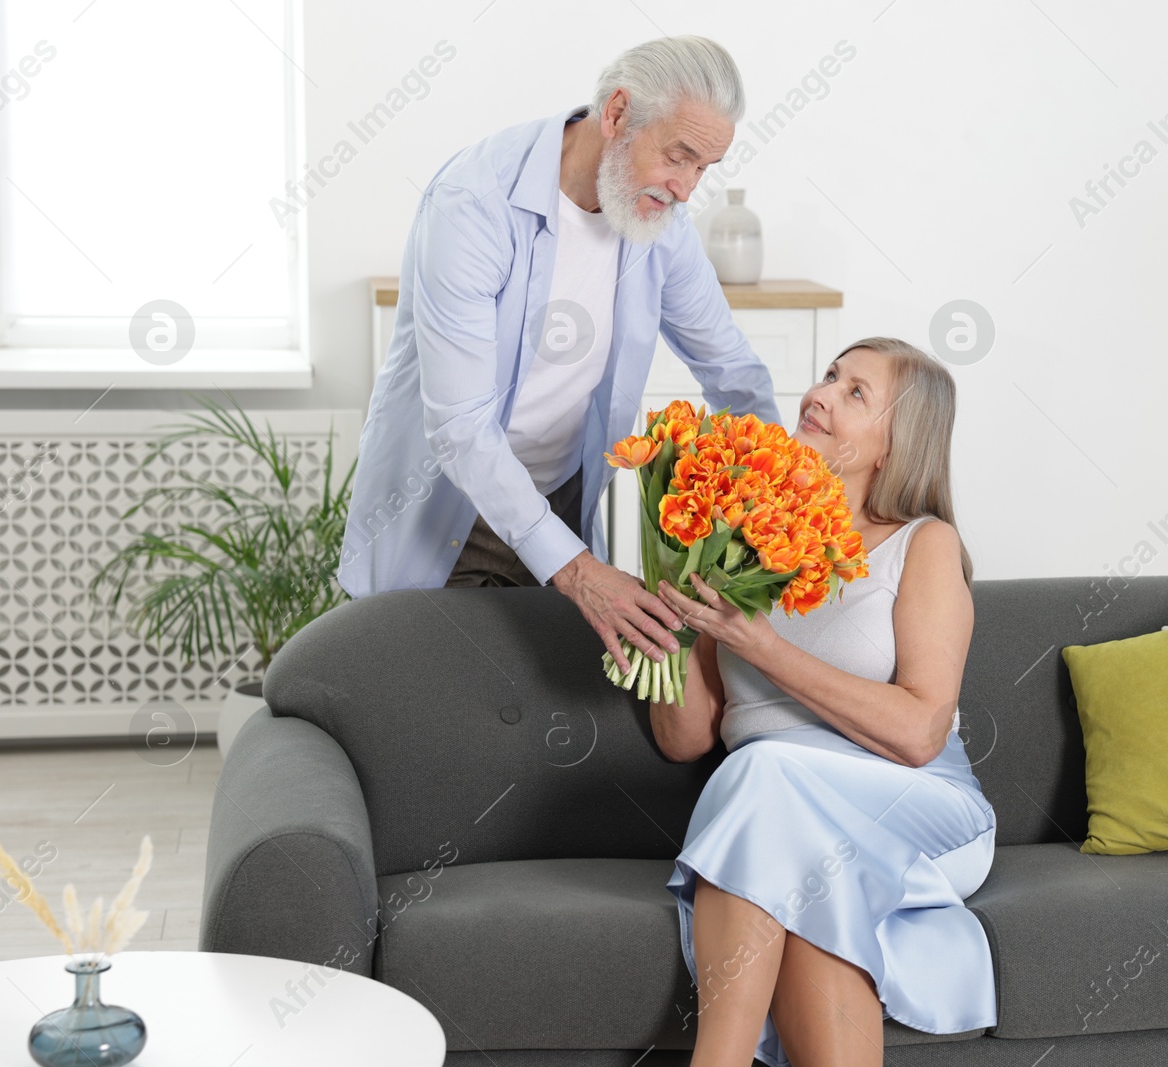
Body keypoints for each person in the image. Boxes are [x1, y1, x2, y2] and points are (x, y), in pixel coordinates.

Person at [336, 36, 782, 679]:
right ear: (618, 113)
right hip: (446, 509)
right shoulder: (474, 204)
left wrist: (779, 499)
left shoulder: (659, 227)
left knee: (538, 720)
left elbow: (734, 375)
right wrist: (576, 571)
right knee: (424, 713)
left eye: (704, 168)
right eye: (678, 156)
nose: (686, 189)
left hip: (559, 504)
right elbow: (461, 428)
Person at [654, 338, 995, 1067]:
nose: (822, 393)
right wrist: (677, 607)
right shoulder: (741, 539)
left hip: (920, 806)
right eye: (831, 376)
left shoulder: (921, 544)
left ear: (894, 444)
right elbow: (685, 738)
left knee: (763, 774)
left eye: (855, 394)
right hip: (791, 822)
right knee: (801, 871)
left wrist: (763, 647)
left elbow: (919, 731)